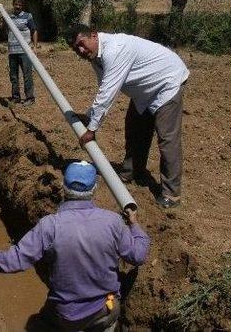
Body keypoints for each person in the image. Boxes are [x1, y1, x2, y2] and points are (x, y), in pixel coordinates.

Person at [0, 161, 151, 332]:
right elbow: (138, 256)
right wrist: (134, 225)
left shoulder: (50, 226)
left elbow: (16, 260)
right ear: (94, 189)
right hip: (104, 311)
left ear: (63, 186)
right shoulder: (113, 222)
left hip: (65, 317)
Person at [67, 25, 189, 209]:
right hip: (143, 92)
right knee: (135, 129)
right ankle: (132, 171)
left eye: (82, 44)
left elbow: (109, 91)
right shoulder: (96, 56)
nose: (81, 51)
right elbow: (104, 87)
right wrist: (90, 116)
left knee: (167, 139)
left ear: (93, 35)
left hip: (166, 82)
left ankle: (171, 194)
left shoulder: (115, 50)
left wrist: (92, 128)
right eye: (76, 49)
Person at [6, 0, 38, 106]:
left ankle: (30, 98)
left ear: (22, 6)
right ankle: (16, 97)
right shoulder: (9, 17)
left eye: (19, 5)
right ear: (13, 5)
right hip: (12, 52)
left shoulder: (28, 16)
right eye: (16, 4)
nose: (18, 7)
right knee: (13, 76)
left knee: (27, 75)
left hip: (25, 51)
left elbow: (34, 31)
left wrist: (35, 47)